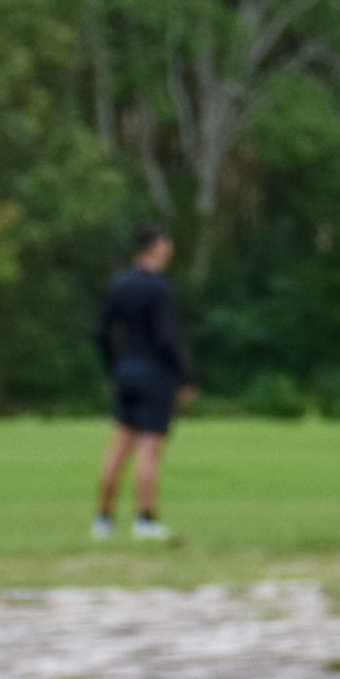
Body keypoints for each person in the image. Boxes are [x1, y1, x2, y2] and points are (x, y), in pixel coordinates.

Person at [92, 227, 194, 542]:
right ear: (154, 249)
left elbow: (101, 332)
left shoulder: (120, 284)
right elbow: (166, 337)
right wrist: (186, 376)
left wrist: (113, 368)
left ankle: (103, 520)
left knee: (118, 448)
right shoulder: (159, 289)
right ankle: (145, 519)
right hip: (154, 374)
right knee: (149, 450)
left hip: (126, 370)